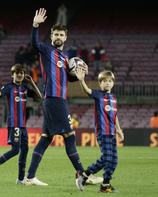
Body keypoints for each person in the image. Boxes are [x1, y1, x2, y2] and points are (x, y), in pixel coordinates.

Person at [24, 8, 101, 189]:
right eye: (56, 34)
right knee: (70, 136)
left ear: (66, 38)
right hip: (54, 99)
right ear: (51, 36)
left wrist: (80, 75)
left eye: (61, 34)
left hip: (56, 99)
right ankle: (82, 175)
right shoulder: (46, 49)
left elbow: (68, 77)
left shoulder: (66, 57)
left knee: (45, 138)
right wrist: (35, 25)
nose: (58, 36)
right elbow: (34, 42)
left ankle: (29, 177)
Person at [0, 64, 42, 184]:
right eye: (17, 73)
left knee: (25, 150)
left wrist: (32, 83)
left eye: (21, 73)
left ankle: (20, 179)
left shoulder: (25, 89)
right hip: (14, 123)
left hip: (23, 125)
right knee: (15, 150)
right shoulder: (9, 87)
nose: (19, 75)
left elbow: (39, 96)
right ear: (12, 75)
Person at [75, 68, 124, 193]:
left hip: (112, 132)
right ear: (100, 83)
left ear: (113, 83)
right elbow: (87, 90)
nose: (107, 83)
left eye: (109, 81)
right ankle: (84, 175)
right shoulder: (98, 95)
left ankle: (105, 185)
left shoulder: (113, 97)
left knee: (113, 160)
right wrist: (81, 80)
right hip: (103, 132)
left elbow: (115, 115)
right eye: (104, 81)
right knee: (107, 158)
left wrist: (119, 130)